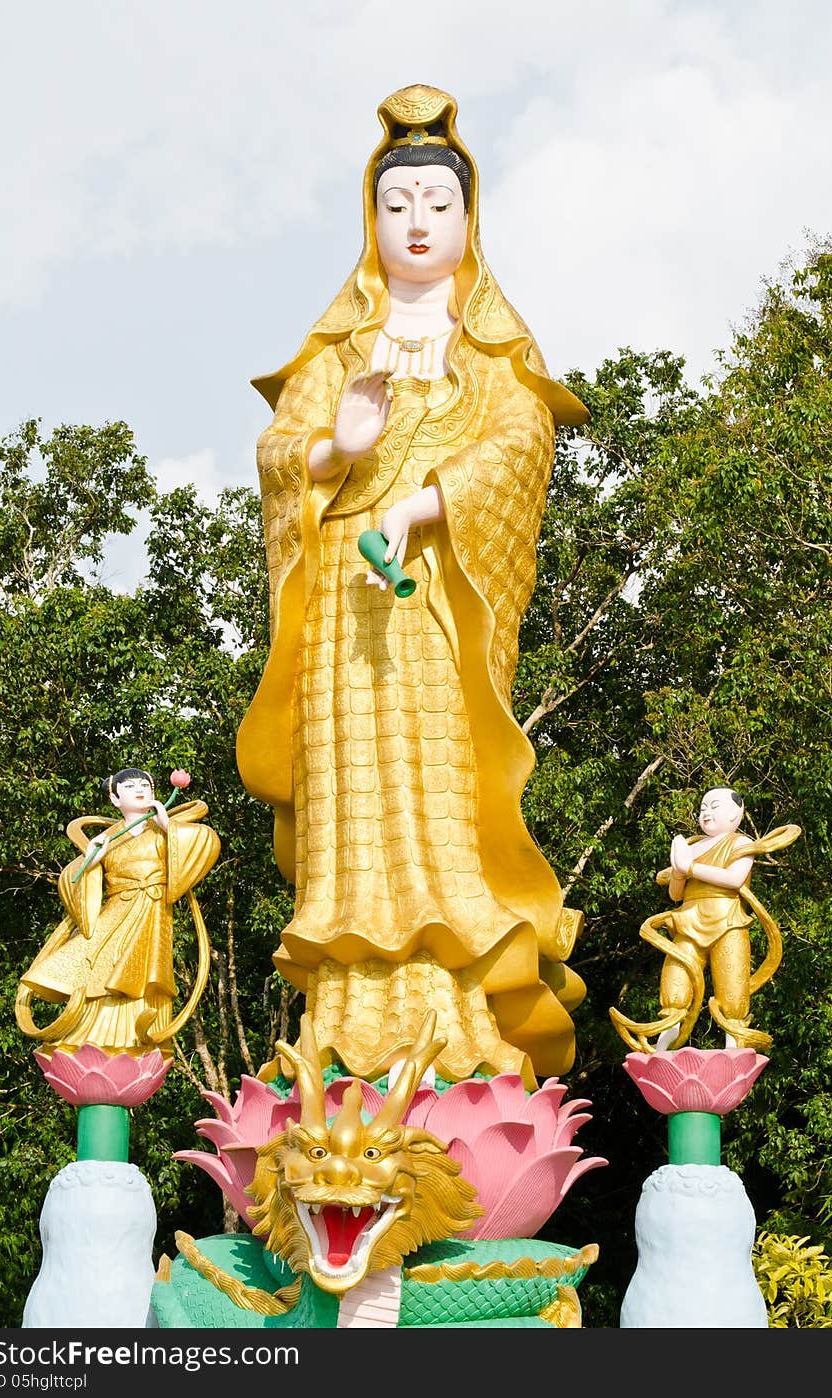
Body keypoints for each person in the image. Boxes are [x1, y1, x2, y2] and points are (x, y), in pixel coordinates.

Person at [236, 84, 590, 1089]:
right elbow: (278, 451)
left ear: (469, 220)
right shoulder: (340, 346)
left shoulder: (492, 352)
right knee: (351, 807)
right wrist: (330, 449)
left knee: (436, 795)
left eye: (437, 203)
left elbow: (522, 448)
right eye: (398, 207)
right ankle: (344, 1032)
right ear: (371, 220)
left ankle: (456, 1031)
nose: (418, 223)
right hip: (341, 606)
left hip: (431, 596)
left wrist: (425, 506)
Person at [16, 768, 220, 1055]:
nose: (141, 789)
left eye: (146, 785)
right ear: (114, 798)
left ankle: (137, 1037)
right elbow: (73, 880)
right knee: (99, 964)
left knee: (143, 972)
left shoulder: (165, 828)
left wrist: (167, 827)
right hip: (117, 910)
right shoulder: (107, 838)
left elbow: (203, 842)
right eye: (131, 786)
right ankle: (90, 1036)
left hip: (152, 911)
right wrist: (91, 861)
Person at [609, 788, 801, 1053]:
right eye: (703, 808)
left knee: (732, 993)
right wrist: (678, 871)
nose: (706, 812)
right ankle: (663, 1045)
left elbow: (734, 880)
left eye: (714, 806)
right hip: (688, 919)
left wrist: (689, 868)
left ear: (736, 814)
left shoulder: (739, 844)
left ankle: (733, 1049)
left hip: (729, 921)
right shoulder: (691, 848)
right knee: (675, 984)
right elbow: (676, 894)